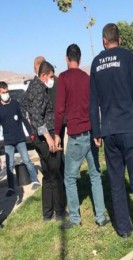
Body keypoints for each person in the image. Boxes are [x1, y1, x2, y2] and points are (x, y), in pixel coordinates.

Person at [89, 23, 133, 241]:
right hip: (128, 128)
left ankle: (124, 229)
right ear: (119, 39)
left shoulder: (96, 63)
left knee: (116, 182)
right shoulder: (126, 57)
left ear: (103, 41)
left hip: (108, 131)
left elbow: (93, 102)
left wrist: (96, 132)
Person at [55, 44, 109, 229]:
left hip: (77, 136)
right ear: (80, 58)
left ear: (66, 58)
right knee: (95, 175)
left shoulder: (63, 78)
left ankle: (75, 219)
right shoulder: (87, 78)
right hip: (92, 133)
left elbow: (60, 109)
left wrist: (56, 134)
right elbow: (96, 105)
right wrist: (98, 131)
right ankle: (100, 217)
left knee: (69, 178)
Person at [21, 61, 67, 221]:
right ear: (43, 75)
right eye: (51, 77)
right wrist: (49, 138)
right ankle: (60, 212)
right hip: (45, 137)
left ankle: (47, 214)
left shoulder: (32, 87)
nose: (52, 80)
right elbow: (36, 115)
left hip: (38, 138)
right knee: (55, 174)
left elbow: (24, 108)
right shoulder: (39, 89)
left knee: (47, 176)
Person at [0, 81, 40, 197]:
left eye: (7, 92)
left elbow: (23, 119)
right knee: (9, 165)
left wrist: (31, 131)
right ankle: (11, 188)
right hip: (8, 141)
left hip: (20, 138)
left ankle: (35, 180)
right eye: (3, 92)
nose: (6, 94)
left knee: (27, 160)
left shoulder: (15, 104)